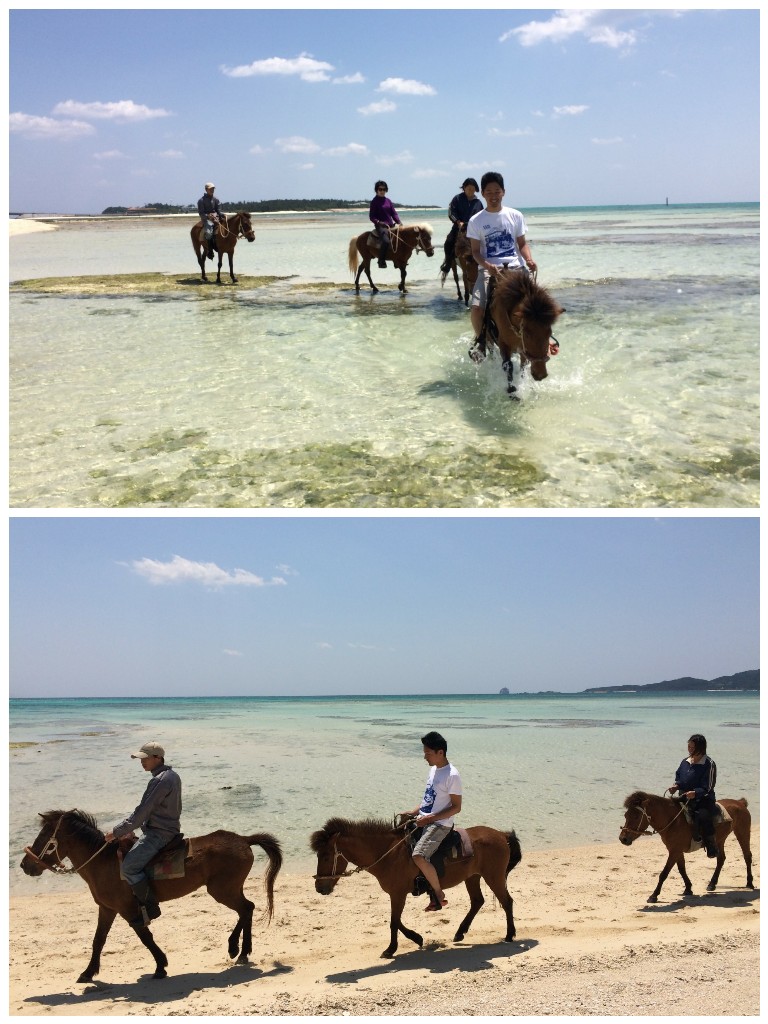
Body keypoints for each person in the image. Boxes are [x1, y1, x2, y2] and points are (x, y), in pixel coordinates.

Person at [104, 741, 182, 926]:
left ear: (158, 758)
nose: (142, 762)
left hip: (159, 833)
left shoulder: (160, 780)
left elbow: (141, 813)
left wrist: (116, 832)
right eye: (141, 759)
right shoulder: (172, 775)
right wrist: (128, 828)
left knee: (129, 867)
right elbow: (146, 812)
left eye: (145, 758)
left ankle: (151, 908)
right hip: (167, 828)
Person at [466, 171, 537, 346]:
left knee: (537, 308)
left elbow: (521, 244)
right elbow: (475, 252)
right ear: (482, 194)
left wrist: (529, 259)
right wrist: (486, 265)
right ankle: (480, 341)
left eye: (497, 191)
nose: (493, 196)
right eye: (488, 192)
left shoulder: (516, 215)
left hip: (516, 269)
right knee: (476, 309)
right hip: (490, 271)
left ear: (503, 192)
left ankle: (542, 341)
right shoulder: (476, 220)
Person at [399, 731, 462, 911]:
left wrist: (430, 818)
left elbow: (456, 807)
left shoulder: (452, 775)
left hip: (440, 825)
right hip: (424, 819)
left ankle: (438, 894)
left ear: (440, 753)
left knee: (418, 855)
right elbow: (429, 800)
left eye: (428, 753)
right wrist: (412, 812)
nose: (424, 756)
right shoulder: (433, 770)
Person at [669, 734, 718, 858]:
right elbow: (679, 777)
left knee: (703, 815)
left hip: (703, 799)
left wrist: (695, 793)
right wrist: (676, 786)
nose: (689, 749)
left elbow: (709, 786)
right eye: (689, 746)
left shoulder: (709, 764)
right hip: (684, 797)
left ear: (700, 748)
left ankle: (711, 845)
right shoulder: (685, 761)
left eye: (692, 747)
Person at [440, 178, 483, 275]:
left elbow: (482, 217)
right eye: (468, 188)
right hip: (458, 227)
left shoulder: (478, 203)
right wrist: (458, 222)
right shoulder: (457, 199)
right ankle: (447, 264)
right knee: (448, 242)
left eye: (473, 189)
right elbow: (451, 212)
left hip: (473, 230)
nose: (471, 191)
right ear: (464, 188)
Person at [368, 180, 402, 269]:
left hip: (391, 225)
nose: (382, 191)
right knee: (386, 241)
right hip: (381, 226)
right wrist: (379, 222)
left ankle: (397, 259)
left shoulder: (388, 201)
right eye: (380, 189)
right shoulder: (374, 202)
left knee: (401, 239)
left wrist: (399, 221)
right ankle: (381, 261)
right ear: (376, 190)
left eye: (384, 189)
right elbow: (372, 217)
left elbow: (393, 213)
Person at [197, 182, 224, 261]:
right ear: (206, 189)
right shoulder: (201, 201)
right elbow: (201, 213)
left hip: (216, 218)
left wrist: (223, 215)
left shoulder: (216, 199)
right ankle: (210, 251)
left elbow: (218, 210)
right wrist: (208, 216)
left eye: (213, 189)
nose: (212, 190)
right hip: (207, 220)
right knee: (209, 233)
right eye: (210, 189)